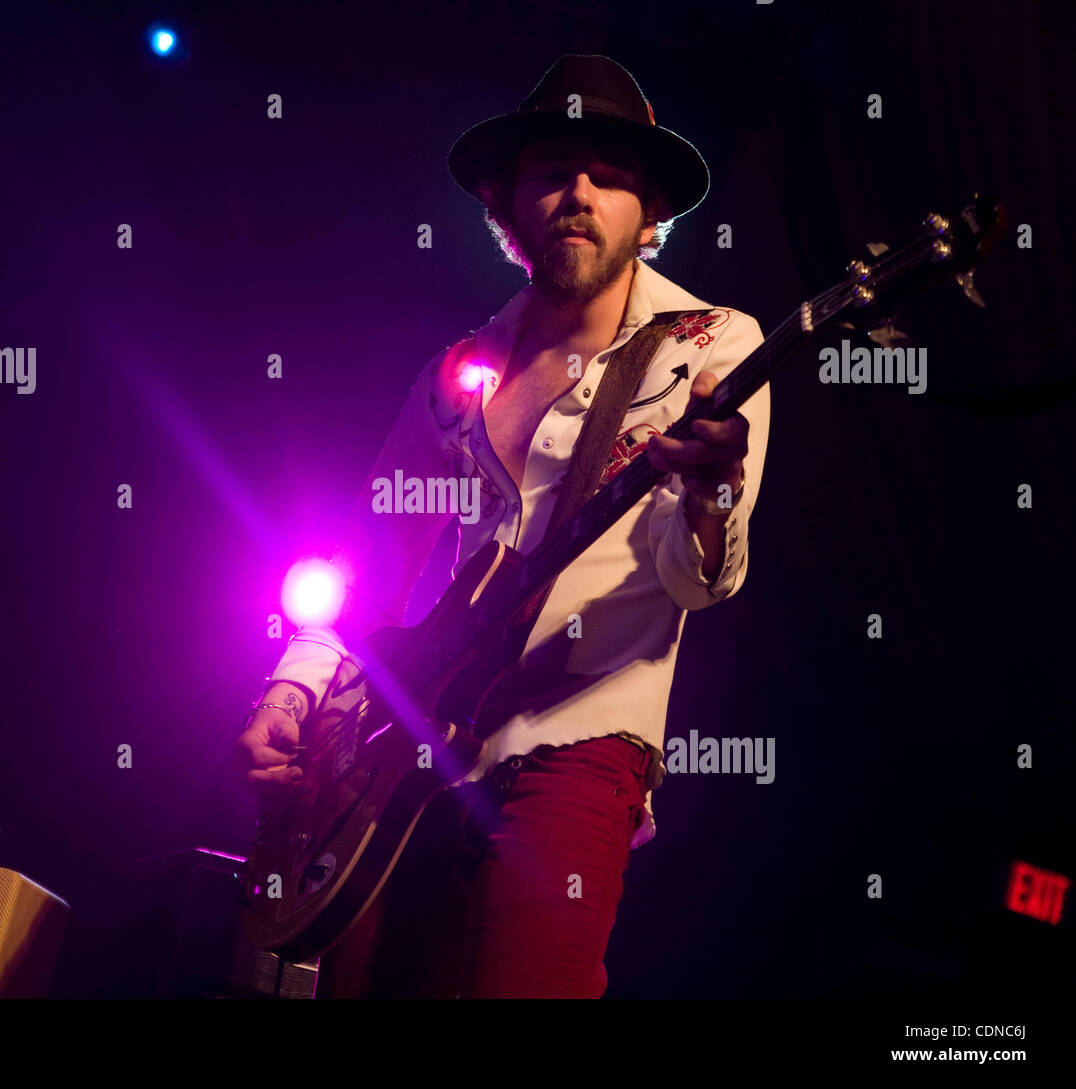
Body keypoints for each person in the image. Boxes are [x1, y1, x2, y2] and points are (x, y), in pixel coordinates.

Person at [235, 54, 771, 998]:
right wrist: (290, 691)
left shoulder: (711, 347)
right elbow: (368, 557)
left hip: (580, 738)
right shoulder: (458, 371)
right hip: (410, 752)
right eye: (551, 171)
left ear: (649, 216)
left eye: (609, 176)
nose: (577, 193)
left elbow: (699, 583)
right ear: (506, 207)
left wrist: (712, 482)